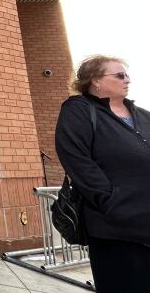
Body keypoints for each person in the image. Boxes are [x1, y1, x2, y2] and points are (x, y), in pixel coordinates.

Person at [55, 55, 150, 293]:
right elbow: (78, 161)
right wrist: (112, 203)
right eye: (119, 75)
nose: (127, 79)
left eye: (127, 74)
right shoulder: (79, 110)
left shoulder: (143, 116)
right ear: (95, 80)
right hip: (116, 228)